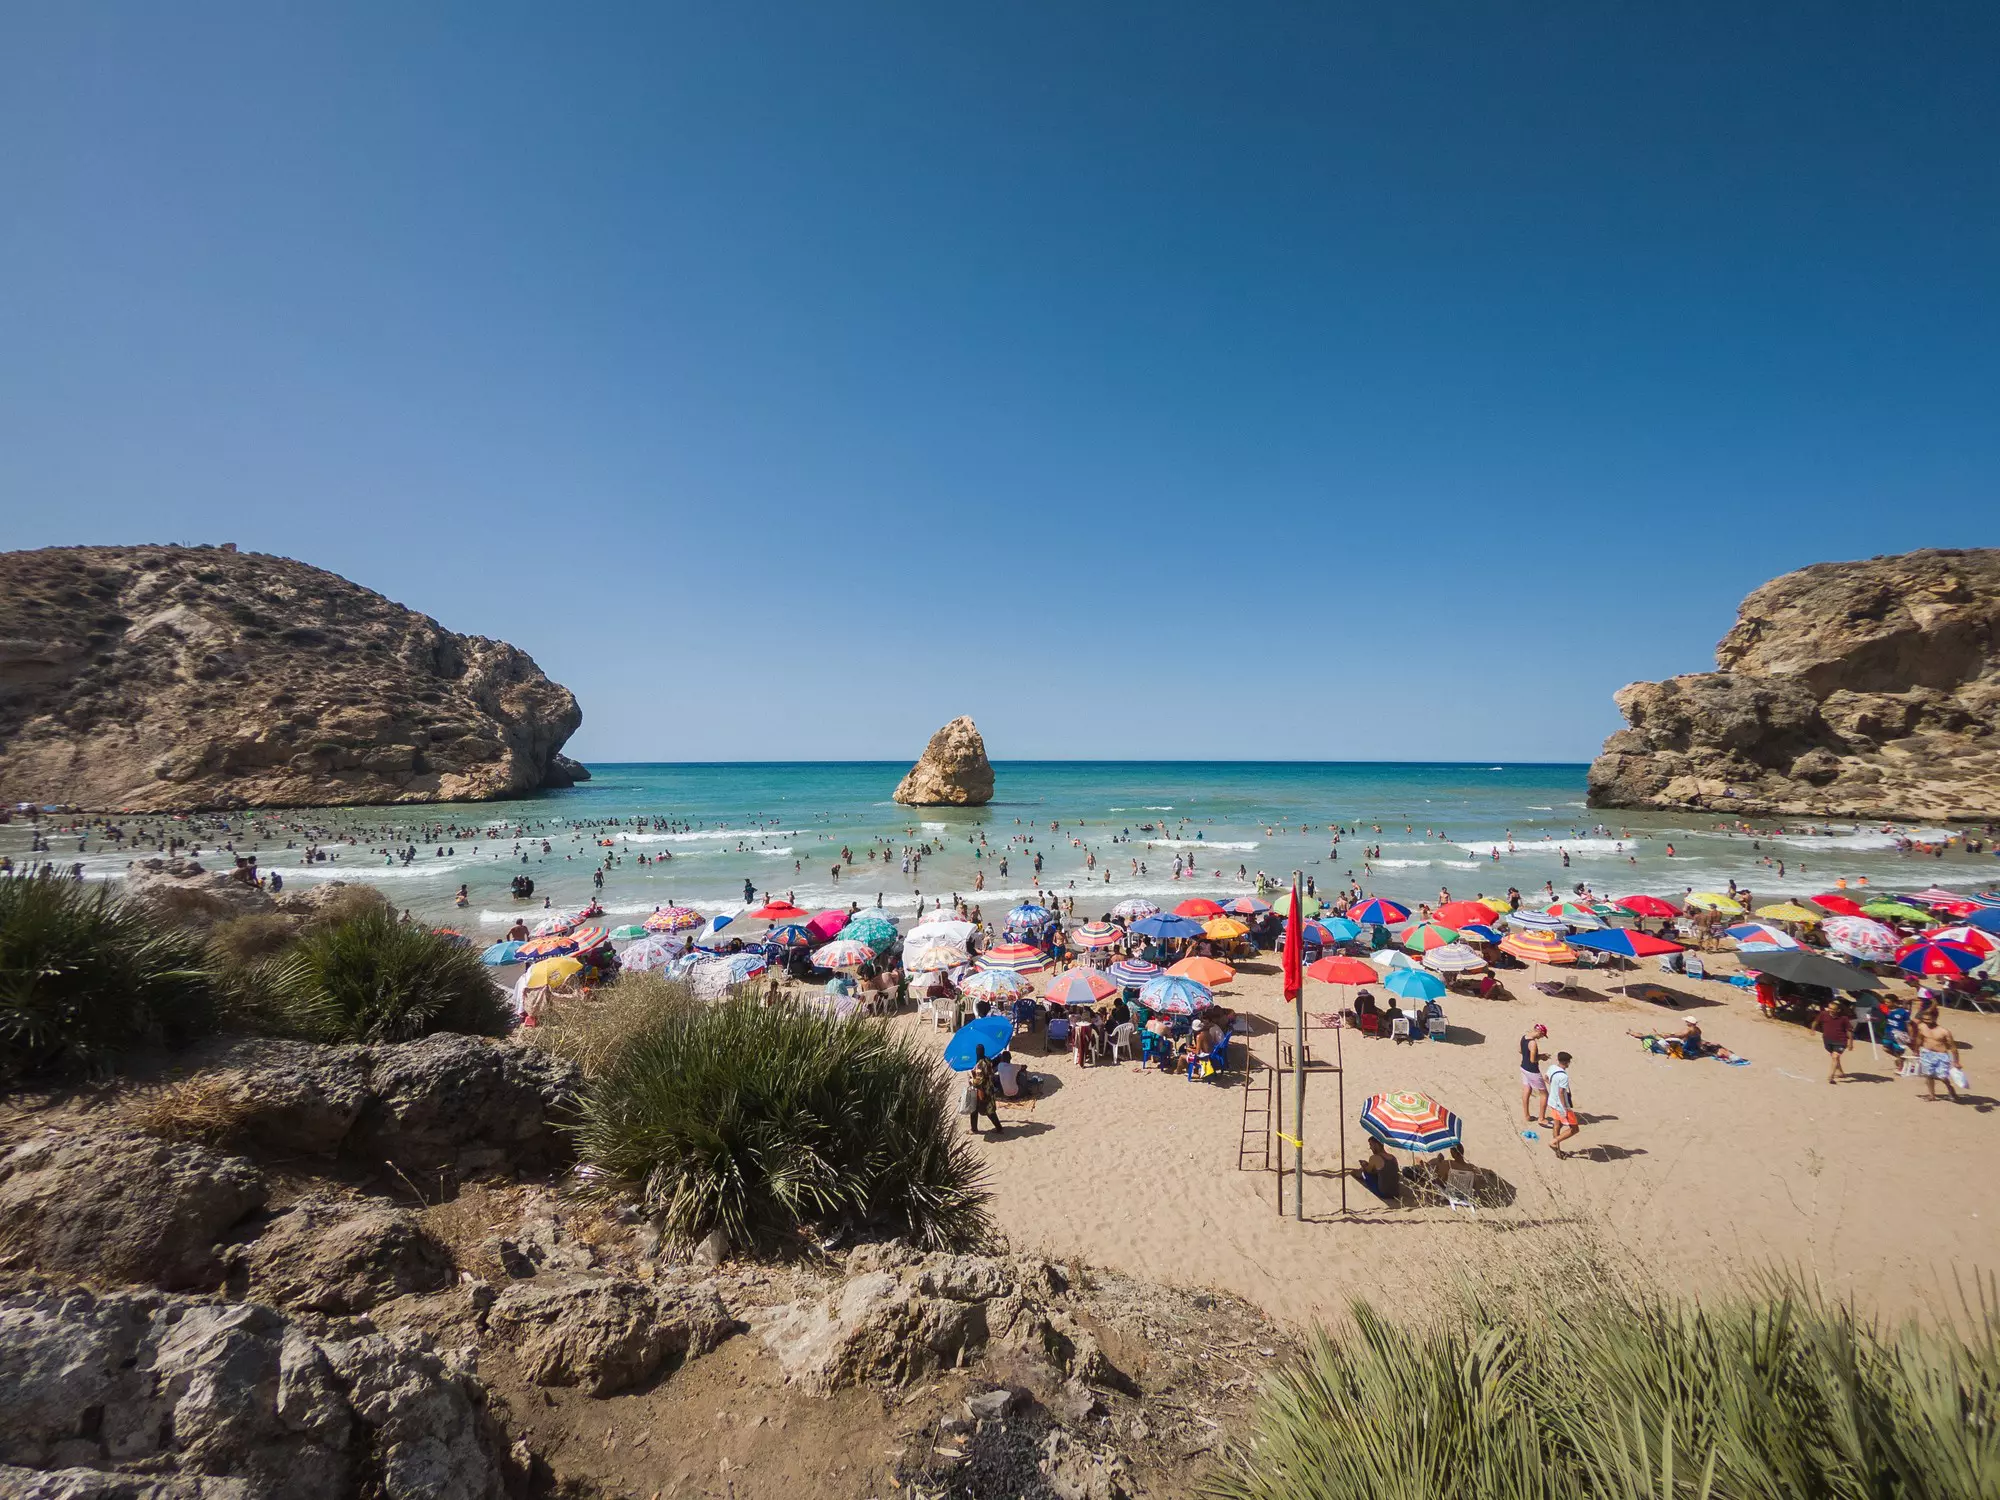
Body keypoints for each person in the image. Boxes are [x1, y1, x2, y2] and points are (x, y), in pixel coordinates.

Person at [1913, 1014, 1962, 1102]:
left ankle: (1950, 1089)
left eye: (1928, 1019)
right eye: (1924, 1019)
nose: (1926, 1021)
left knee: (1942, 1076)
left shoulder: (1944, 1031)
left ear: (1935, 1018)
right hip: (1926, 1053)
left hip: (1941, 1055)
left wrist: (1956, 1061)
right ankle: (1932, 1095)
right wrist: (1916, 1050)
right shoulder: (1922, 1027)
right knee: (1928, 1075)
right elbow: (1919, 1039)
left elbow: (1953, 1047)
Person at [1546, 1052, 1580, 1157]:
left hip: (1552, 1101)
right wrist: (1565, 1108)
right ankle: (1554, 1142)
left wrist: (1553, 1087)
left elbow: (1545, 1078)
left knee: (1557, 1125)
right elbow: (1561, 1092)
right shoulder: (1563, 1076)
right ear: (1566, 1062)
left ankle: (1558, 1150)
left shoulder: (1552, 1068)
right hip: (1561, 1105)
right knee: (1574, 1129)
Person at [1813, 999, 1855, 1084]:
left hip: (1841, 1041)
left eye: (1833, 1009)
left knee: (1835, 1056)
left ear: (1838, 1010)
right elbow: (1816, 1021)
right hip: (1827, 1040)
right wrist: (1812, 1029)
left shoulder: (1844, 1018)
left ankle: (1831, 1076)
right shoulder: (1823, 1014)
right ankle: (1840, 1072)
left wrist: (1850, 1043)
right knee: (1834, 1056)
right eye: (1829, 1008)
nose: (1830, 1010)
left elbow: (1849, 1031)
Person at [1520, 1024, 1550, 1126]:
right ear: (1540, 1032)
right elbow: (1533, 1060)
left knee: (1527, 1089)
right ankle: (1541, 1118)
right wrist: (1542, 1057)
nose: (1541, 1037)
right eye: (1542, 1035)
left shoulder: (1524, 1037)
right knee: (1544, 1094)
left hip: (1523, 1067)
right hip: (1532, 1070)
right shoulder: (1533, 1043)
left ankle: (1527, 1115)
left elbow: (1520, 1050)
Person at [968, 1046, 1003, 1134]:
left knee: (977, 1109)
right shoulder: (987, 1060)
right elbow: (990, 1072)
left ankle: (974, 1129)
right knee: (989, 1110)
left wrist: (971, 1078)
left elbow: (978, 1081)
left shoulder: (979, 1064)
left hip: (982, 1090)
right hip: (989, 1088)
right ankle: (998, 1127)